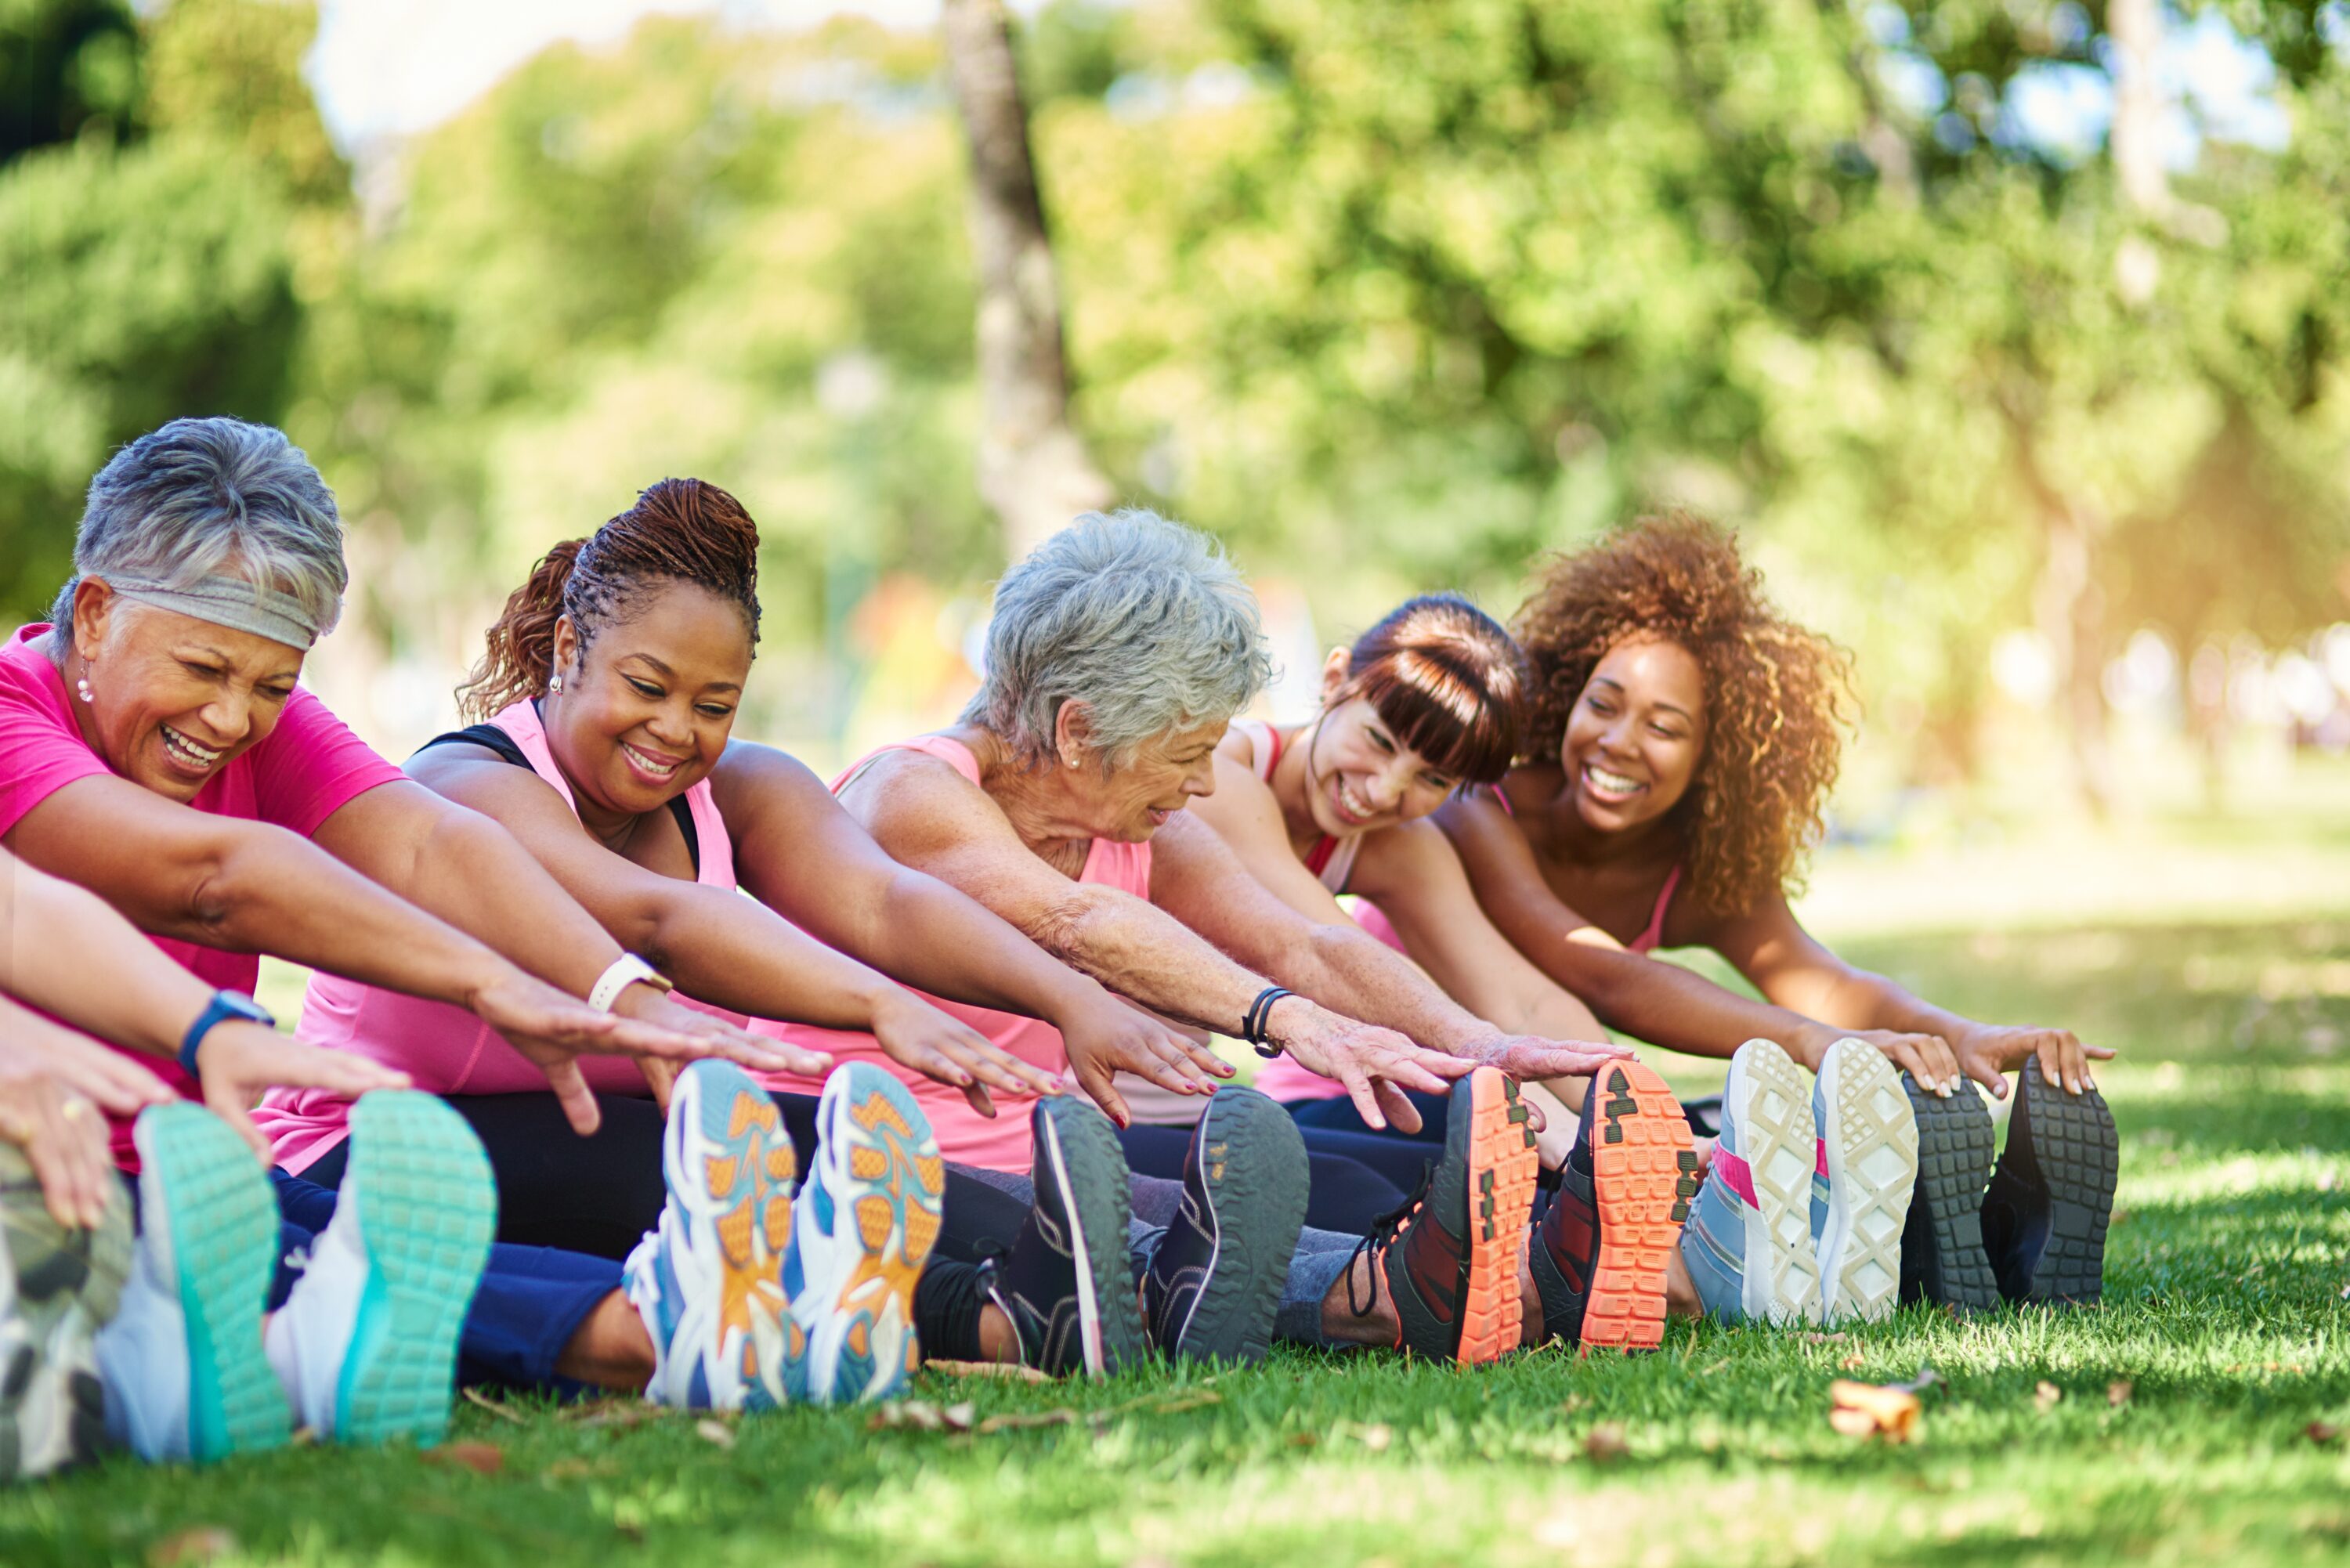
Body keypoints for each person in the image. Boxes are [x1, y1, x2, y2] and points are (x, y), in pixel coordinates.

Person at [0, 417, 938, 1451]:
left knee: (386, 1251)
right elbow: (214, 880)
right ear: (93, 614)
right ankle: (678, 1327)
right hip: (62, 1166)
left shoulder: (267, 725)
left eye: (273, 684)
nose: (233, 719)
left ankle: (719, 1320)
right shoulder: (12, 719)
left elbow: (432, 845)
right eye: (206, 668)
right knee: (318, 1250)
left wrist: (608, 990)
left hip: (206, 1168)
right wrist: (492, 985)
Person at [256, 476, 1274, 1381]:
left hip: (612, 1140)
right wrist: (880, 1006)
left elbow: (882, 900)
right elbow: (654, 919)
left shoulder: (739, 789)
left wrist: (1066, 997)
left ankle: (1132, 1284)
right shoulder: (467, 782)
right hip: (367, 1152)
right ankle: (1019, 1317)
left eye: (716, 704)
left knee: (807, 1140)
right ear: (569, 649)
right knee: (686, 1147)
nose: (676, 731)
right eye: (647, 687)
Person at [768, 509, 1649, 1365]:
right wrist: (1279, 1017)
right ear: (1078, 731)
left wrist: (1478, 1044)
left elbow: (1305, 942)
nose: (1202, 782)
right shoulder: (913, 795)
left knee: (1321, 1185)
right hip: (855, 1139)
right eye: (1184, 752)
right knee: (1156, 1240)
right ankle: (1392, 1299)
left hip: (1033, 1136)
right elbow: (1080, 925)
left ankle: (1513, 1272)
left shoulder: (1136, 822)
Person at [1437, 513, 2120, 1313]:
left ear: (1714, 755)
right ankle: (1919, 1235)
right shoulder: (1482, 809)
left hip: (1562, 1086)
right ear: (1564, 698)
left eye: (1665, 727)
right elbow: (1594, 969)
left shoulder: (1694, 871)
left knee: (1762, 1133)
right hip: (1436, 1088)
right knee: (1678, 1140)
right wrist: (1808, 1041)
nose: (1618, 742)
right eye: (1604, 704)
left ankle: (1981, 1236)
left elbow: (1822, 981)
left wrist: (1959, 1035)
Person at [1170, 592, 1700, 1350]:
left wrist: (1645, 1122)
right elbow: (1320, 948)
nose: (1386, 792)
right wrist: (1545, 1111)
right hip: (1145, 1107)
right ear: (1334, 680)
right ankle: (1592, 1269)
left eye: (1432, 780)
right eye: (1380, 740)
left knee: (1494, 1164)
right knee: (1399, 1186)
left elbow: (1517, 996)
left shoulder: (1396, 840)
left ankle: (1678, 1246)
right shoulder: (1220, 777)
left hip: (1211, 1107)